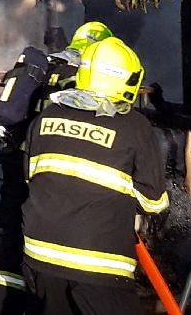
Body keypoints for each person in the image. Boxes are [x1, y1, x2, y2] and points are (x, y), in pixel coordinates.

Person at [21, 37, 169, 315]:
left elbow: (34, 179)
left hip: (39, 255)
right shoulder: (135, 126)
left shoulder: (46, 116)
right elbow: (154, 202)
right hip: (100, 263)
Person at [0, 22, 113, 315]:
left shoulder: (42, 66)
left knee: (10, 246)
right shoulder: (85, 77)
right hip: (47, 172)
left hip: (14, 165)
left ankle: (2, 308)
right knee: (47, 250)